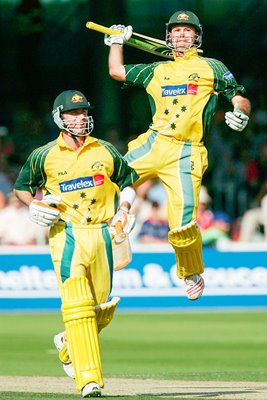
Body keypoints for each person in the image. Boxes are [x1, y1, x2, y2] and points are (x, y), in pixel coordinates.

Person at [104, 10, 251, 300]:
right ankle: (123, 214)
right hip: (154, 140)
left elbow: (239, 96)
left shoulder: (212, 67)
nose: (182, 35)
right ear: (168, 36)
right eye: (177, 31)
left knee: (182, 225)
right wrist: (116, 43)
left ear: (197, 37)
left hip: (187, 151)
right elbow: (116, 72)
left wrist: (241, 112)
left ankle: (191, 270)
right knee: (108, 175)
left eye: (188, 31)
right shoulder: (156, 70)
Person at [13, 90, 138, 398]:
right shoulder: (44, 155)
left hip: (102, 234)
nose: (81, 117)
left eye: (83, 112)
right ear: (59, 117)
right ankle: (89, 380)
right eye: (73, 113)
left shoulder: (105, 149)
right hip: (66, 233)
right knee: (78, 306)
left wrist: (124, 208)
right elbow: (22, 188)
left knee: (102, 308)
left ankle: (69, 343)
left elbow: (127, 181)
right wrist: (33, 205)